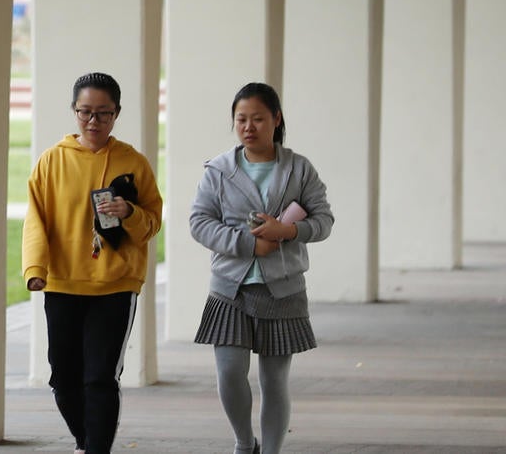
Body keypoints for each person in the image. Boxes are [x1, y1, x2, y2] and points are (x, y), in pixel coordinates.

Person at [187, 83, 334, 454]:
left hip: (282, 289)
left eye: (257, 119)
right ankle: (242, 442)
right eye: (241, 119)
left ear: (276, 119)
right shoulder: (218, 170)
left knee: (274, 381)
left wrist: (287, 230)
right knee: (229, 373)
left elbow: (324, 220)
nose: (248, 127)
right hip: (229, 287)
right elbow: (199, 222)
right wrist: (251, 243)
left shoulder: (299, 169)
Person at [24, 72, 162, 454]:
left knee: (100, 377)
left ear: (116, 114)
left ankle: (96, 448)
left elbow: (152, 223)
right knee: (63, 377)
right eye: (85, 112)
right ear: (74, 111)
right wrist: (35, 270)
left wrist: (129, 211)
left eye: (104, 113)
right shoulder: (51, 161)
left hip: (116, 284)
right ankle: (86, 441)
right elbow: (36, 219)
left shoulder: (133, 162)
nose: (94, 121)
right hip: (63, 283)